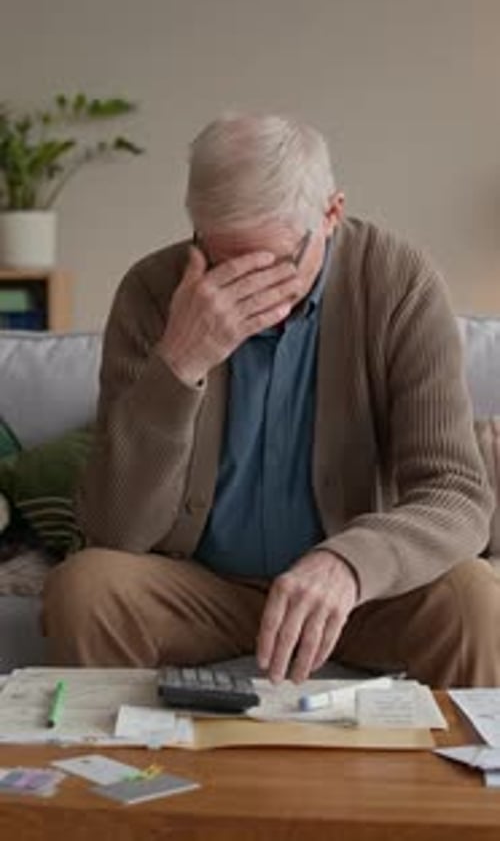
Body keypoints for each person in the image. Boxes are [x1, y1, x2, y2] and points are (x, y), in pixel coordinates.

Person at [43, 113, 498, 687]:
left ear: (331, 214)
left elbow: (455, 494)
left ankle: (463, 776)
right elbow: (114, 532)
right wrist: (178, 367)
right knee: (84, 587)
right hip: (204, 589)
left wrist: (349, 562)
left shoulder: (398, 282)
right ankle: (117, 775)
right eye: (221, 260)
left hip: (359, 598)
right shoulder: (152, 292)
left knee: (473, 597)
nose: (244, 284)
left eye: (274, 262)